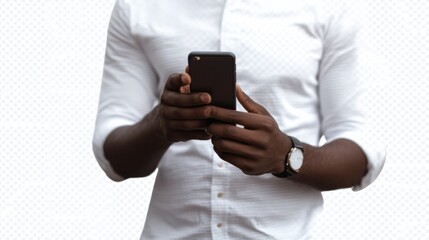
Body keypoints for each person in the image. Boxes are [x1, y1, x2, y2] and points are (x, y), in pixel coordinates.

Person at [92, 0, 385, 239]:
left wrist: (286, 155)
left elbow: (363, 151)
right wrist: (160, 126)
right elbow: (112, 154)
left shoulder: (332, 8)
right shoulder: (138, 7)